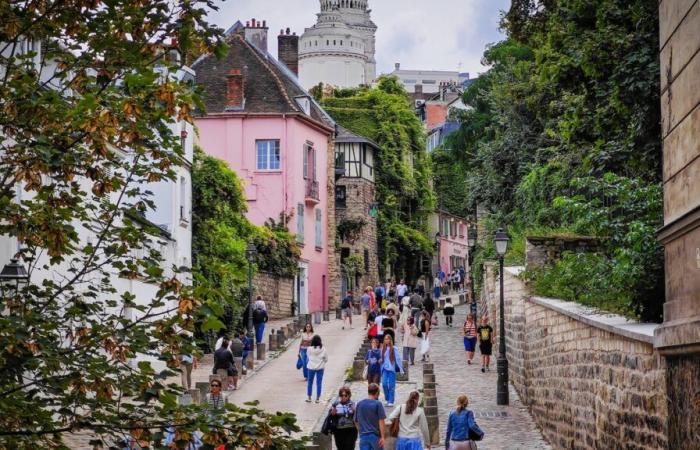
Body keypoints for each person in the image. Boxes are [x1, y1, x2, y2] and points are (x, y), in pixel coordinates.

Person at [355, 383, 386, 450]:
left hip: (363, 436)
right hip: (375, 436)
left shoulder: (359, 404)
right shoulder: (378, 404)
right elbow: (381, 422)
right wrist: (383, 437)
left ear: (368, 391)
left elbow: (356, 421)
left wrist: (360, 432)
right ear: (377, 392)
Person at [381, 334, 404, 407]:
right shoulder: (383, 349)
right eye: (385, 339)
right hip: (384, 369)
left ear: (390, 340)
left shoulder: (394, 348)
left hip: (391, 370)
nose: (387, 340)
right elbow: (382, 359)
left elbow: (398, 359)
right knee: (384, 384)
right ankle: (387, 399)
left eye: (388, 339)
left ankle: (391, 401)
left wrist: (401, 369)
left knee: (391, 386)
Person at [306, 334, 328, 403]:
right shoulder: (323, 349)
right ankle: (317, 398)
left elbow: (308, 357)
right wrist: (321, 361)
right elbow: (326, 359)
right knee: (319, 383)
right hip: (320, 368)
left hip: (311, 367)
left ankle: (309, 397)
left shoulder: (309, 349)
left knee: (310, 383)